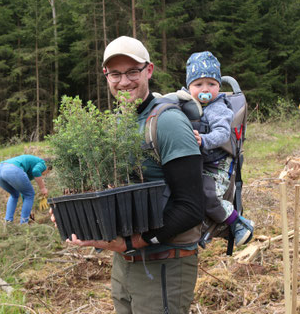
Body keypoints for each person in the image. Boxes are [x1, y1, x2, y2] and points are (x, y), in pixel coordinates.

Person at [52, 36, 205, 314]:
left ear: (149, 70)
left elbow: (192, 207)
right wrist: (80, 217)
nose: (124, 82)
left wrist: (129, 242)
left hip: (164, 265)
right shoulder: (119, 123)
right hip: (125, 264)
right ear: (105, 76)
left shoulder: (167, 122)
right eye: (116, 74)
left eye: (133, 71)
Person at [186, 51, 254, 246]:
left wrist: (204, 140)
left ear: (219, 86)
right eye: (198, 85)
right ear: (189, 86)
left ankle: (236, 223)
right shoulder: (184, 102)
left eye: (212, 84)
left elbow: (223, 134)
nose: (205, 89)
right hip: (196, 161)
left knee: (207, 195)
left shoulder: (217, 108)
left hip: (216, 163)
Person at [0, 155, 51, 224]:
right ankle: (24, 223)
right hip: (12, 169)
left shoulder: (30, 168)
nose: (45, 174)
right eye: (48, 172)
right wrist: (43, 188)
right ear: (48, 168)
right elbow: (36, 171)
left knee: (14, 195)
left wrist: (28, 210)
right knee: (30, 194)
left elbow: (24, 192)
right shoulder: (42, 163)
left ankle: (8, 221)